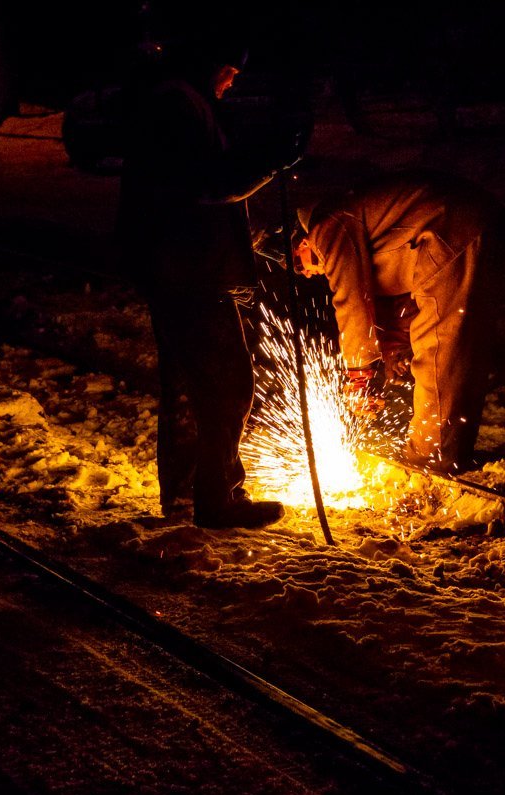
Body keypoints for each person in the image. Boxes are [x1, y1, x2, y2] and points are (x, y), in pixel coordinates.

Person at [116, 33, 295, 529]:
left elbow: (199, 187)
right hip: (187, 270)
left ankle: (191, 493)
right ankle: (218, 499)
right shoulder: (179, 103)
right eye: (230, 73)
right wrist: (271, 160)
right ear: (211, 62)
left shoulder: (175, 100)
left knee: (200, 386)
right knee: (227, 384)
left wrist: (264, 242)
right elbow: (208, 184)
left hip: (181, 264)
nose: (231, 84)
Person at [294, 169, 505, 472]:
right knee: (457, 351)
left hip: (448, 228)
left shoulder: (328, 224)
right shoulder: (361, 227)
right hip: (462, 224)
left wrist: (359, 375)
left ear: (302, 242)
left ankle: (431, 462)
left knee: (441, 354)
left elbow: (350, 299)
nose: (311, 273)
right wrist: (390, 355)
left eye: (303, 267)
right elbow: (386, 306)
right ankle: (447, 453)